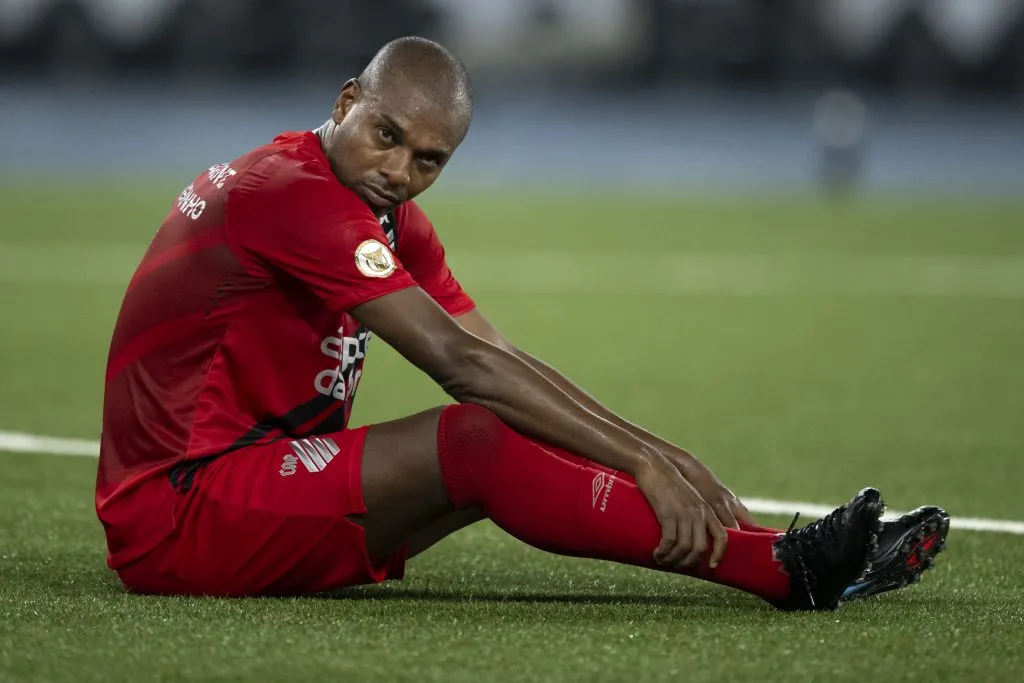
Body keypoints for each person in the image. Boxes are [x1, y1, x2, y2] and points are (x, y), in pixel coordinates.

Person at [96, 37, 948, 610]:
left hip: (245, 484)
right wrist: (643, 460)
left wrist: (661, 449)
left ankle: (794, 548)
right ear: (348, 99)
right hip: (179, 511)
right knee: (473, 440)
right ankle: (785, 571)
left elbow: (501, 354)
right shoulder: (289, 193)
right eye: (385, 135)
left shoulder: (379, 211)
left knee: (501, 430)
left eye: (428, 159)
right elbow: (459, 364)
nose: (398, 170)